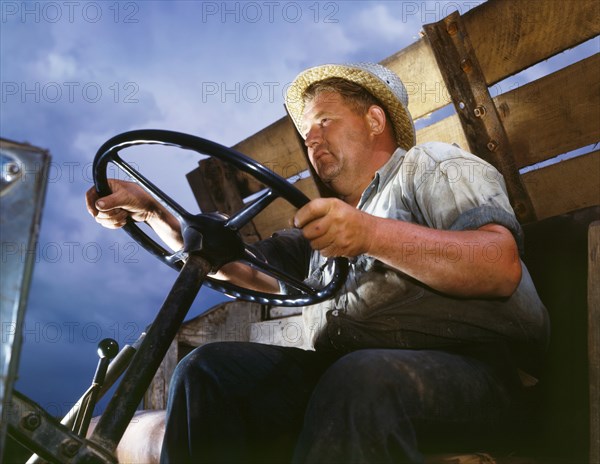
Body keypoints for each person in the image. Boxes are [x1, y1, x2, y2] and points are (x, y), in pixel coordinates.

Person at [86, 63, 549, 463]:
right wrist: (154, 213)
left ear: (374, 119)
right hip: (346, 377)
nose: (311, 138)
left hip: (473, 379)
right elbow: (235, 266)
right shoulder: (322, 230)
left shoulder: (433, 167)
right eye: (306, 132)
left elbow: (499, 264)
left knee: (360, 377)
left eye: (324, 121)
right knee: (207, 369)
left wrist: (370, 234)